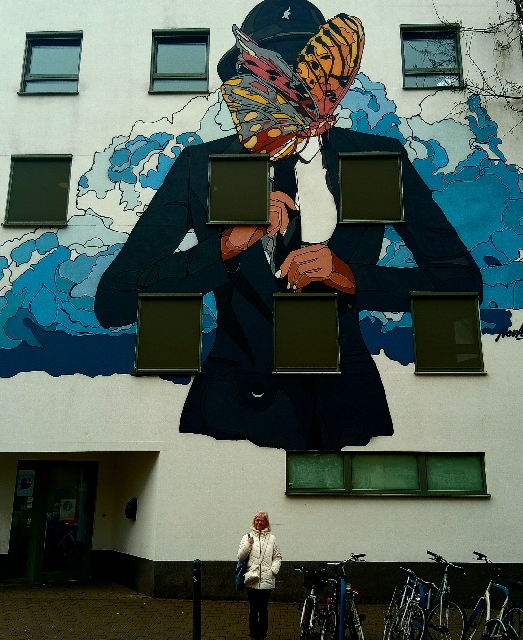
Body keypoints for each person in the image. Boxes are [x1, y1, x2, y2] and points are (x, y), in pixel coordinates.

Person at [95, 0, 482, 450]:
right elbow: (114, 301)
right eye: (276, 69)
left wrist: (352, 277)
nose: (294, 85)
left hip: (343, 412)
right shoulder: (201, 167)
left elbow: (462, 283)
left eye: (306, 67)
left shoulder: (375, 160)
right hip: (231, 416)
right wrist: (224, 248)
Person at [237, 512, 282, 640]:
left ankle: (262, 635)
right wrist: (248, 545)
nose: (259, 522)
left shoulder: (272, 539)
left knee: (263, 609)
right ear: (254, 521)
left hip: (266, 579)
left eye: (262, 520)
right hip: (252, 578)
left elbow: (277, 557)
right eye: (257, 520)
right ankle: (253, 634)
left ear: (266, 523)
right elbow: (240, 557)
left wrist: (273, 570)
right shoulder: (247, 537)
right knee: (253, 608)